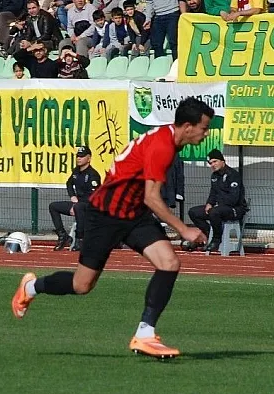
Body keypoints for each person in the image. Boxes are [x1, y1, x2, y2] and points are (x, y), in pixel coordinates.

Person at [11, 98, 215, 359]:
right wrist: (183, 229)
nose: (205, 133)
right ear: (188, 126)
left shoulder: (169, 139)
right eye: (204, 127)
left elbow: (144, 195)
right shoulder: (162, 146)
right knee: (82, 285)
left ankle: (145, 334)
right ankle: (30, 288)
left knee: (169, 263)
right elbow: (152, 197)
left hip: (134, 214)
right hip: (105, 214)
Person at [187, 149, 247, 252]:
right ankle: (206, 234)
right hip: (219, 208)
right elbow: (213, 193)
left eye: (215, 161)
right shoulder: (214, 176)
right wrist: (209, 203)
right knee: (193, 212)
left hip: (235, 209)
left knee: (215, 212)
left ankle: (216, 240)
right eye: (210, 163)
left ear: (222, 161)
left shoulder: (233, 175)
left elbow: (234, 198)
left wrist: (217, 206)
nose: (213, 165)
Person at [49, 146, 101, 251]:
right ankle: (63, 236)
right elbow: (69, 184)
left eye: (82, 156)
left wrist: (77, 204)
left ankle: (79, 239)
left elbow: (94, 195)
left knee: (79, 208)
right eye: (78, 156)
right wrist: (72, 196)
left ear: (89, 158)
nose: (79, 158)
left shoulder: (93, 175)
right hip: (78, 203)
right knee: (53, 206)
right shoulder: (76, 171)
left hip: (89, 205)